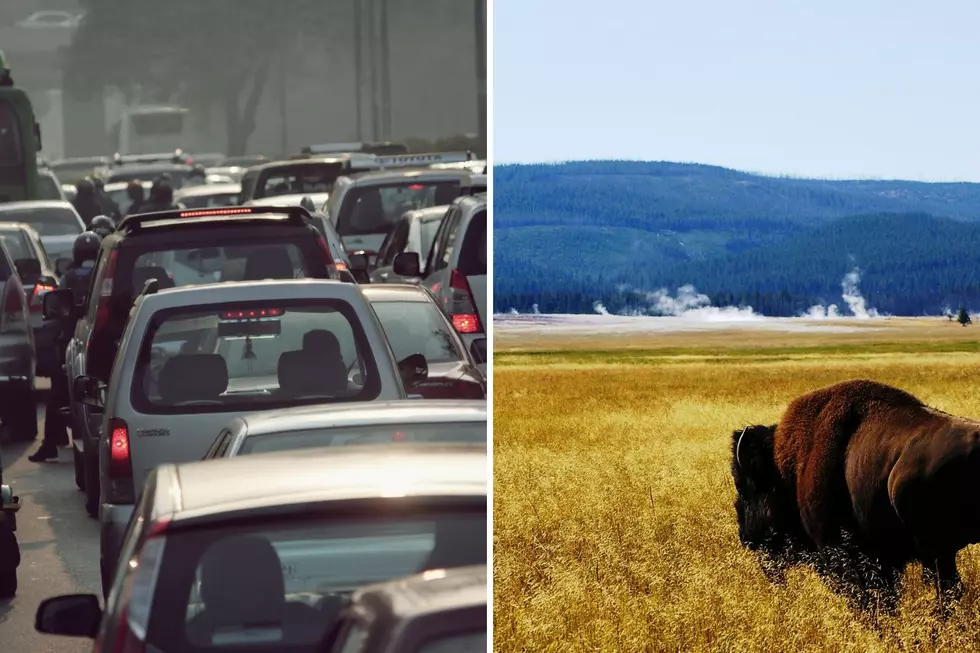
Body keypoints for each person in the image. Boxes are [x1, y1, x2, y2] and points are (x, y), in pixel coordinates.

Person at [29, 231, 103, 462]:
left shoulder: (69, 277)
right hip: (103, 342)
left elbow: (58, 306)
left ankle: (51, 443)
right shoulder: (104, 274)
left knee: (58, 392)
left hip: (74, 342)